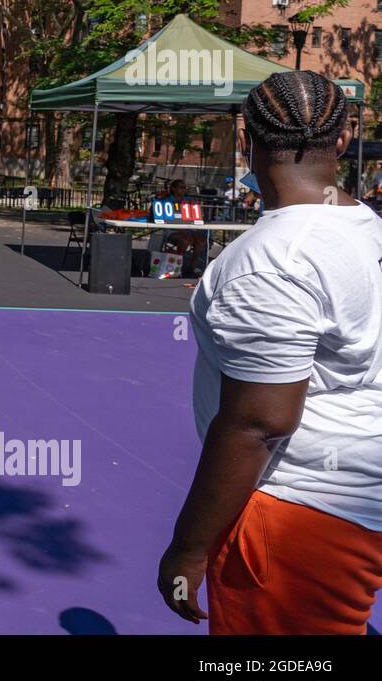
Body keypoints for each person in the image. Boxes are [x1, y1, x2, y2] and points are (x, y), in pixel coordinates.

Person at [158, 70, 382, 634]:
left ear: (245, 140)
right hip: (360, 492)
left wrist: (188, 548)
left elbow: (260, 422)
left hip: (298, 513)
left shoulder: (271, 261)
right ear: (343, 139)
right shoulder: (367, 231)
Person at [156, 179, 208, 276]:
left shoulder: (189, 200)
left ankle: (192, 268)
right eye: (181, 187)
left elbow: (196, 216)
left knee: (201, 239)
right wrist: (182, 230)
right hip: (171, 230)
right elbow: (165, 220)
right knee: (185, 240)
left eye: (185, 187)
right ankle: (176, 266)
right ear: (173, 188)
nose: (184, 189)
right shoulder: (166, 200)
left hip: (188, 228)